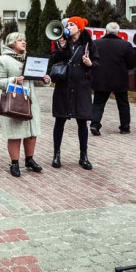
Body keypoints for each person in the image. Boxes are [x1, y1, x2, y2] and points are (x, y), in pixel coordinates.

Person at [0, 32, 50, 177]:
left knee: (32, 133)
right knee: (15, 134)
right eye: (20, 40)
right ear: (12, 43)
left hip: (30, 102)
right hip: (15, 102)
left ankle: (29, 160)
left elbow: (33, 81)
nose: (24, 42)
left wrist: (44, 80)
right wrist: (13, 80)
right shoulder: (3, 60)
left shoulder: (29, 59)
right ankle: (14, 163)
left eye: (24, 40)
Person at [48, 16, 99, 170]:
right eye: (68, 24)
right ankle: (56, 154)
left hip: (81, 87)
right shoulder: (62, 42)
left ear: (79, 27)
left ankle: (83, 155)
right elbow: (54, 59)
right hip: (63, 86)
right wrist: (62, 47)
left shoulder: (89, 44)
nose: (68, 26)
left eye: (72, 24)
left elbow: (97, 63)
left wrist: (89, 63)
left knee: (82, 121)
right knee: (60, 120)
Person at [90, 22, 136, 136]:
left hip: (101, 79)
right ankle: (125, 127)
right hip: (119, 79)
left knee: (98, 103)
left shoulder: (96, 43)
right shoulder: (125, 45)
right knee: (123, 104)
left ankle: (94, 124)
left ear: (105, 31)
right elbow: (132, 63)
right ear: (118, 32)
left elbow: (91, 60)